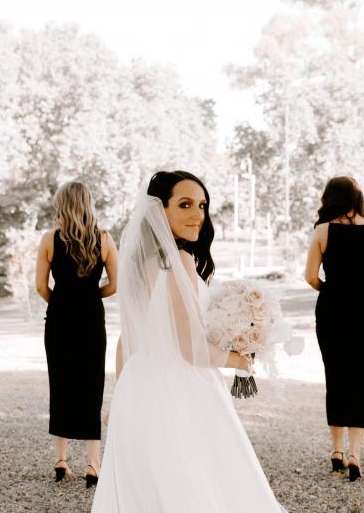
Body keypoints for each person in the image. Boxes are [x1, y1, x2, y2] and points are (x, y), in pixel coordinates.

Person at [92, 171, 284, 512]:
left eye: (202, 205)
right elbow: (190, 348)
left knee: (154, 485)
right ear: (159, 210)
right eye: (184, 205)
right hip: (178, 387)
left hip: (138, 386)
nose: (198, 214)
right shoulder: (177, 261)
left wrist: (119, 396)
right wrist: (240, 360)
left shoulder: (138, 264)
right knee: (198, 479)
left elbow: (127, 340)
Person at [304, 176, 364, 482]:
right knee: (363, 376)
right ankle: (356, 454)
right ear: (358, 197)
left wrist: (331, 290)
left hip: (332, 306)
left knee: (336, 375)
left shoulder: (322, 231)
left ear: (329, 198)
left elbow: (310, 277)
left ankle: (336, 451)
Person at [35, 181, 118, 487]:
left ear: (61, 204)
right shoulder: (105, 239)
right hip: (91, 319)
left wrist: (62, 302)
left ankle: (60, 461)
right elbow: (114, 285)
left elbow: (41, 287)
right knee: (91, 387)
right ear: (88, 204)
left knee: (61, 385)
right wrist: (89, 296)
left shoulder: (49, 240)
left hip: (59, 319)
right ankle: (93, 464)